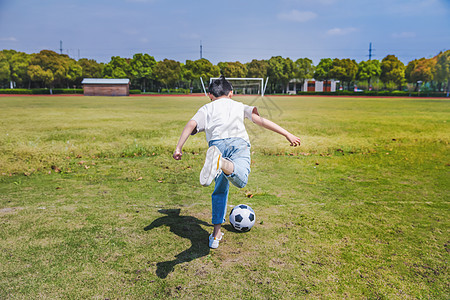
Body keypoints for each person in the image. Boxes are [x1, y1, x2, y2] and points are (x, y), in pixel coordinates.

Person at [173, 75, 301, 249]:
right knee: (241, 180)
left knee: (220, 191)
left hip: (217, 145)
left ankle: (216, 235)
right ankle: (222, 163)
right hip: (238, 144)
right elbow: (260, 120)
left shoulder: (206, 108)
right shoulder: (239, 106)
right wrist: (287, 133)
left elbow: (191, 124)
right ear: (231, 93)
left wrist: (179, 147)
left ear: (210, 94)